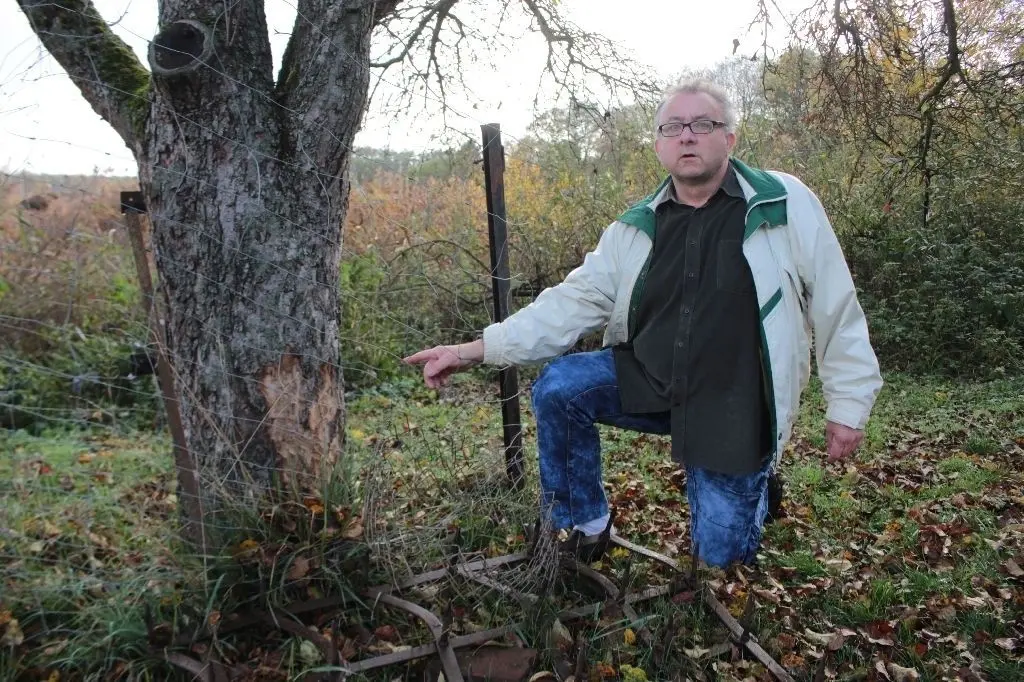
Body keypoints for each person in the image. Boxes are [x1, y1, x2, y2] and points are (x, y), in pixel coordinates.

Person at [404, 80, 883, 568]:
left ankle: (754, 485)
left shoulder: (783, 204)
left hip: (733, 407)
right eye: (673, 127)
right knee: (561, 388)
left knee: (718, 566)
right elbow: (571, 302)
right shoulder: (635, 228)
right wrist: (471, 350)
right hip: (651, 381)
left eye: (703, 124)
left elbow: (835, 302)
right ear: (658, 144)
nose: (687, 136)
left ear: (730, 139)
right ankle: (585, 527)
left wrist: (847, 403)